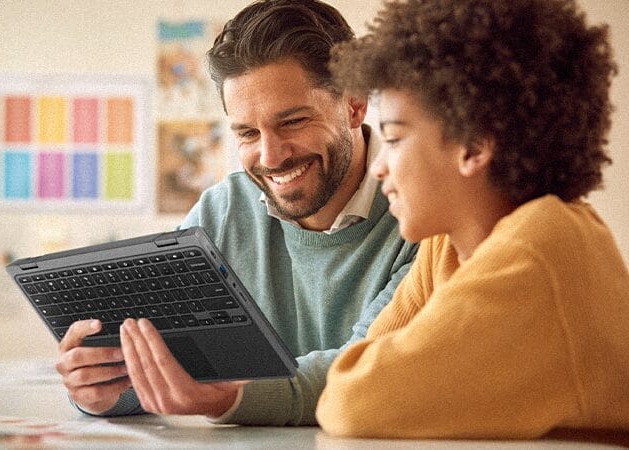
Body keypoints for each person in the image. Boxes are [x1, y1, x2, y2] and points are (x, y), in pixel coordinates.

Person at [55, 0, 418, 426]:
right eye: (247, 132)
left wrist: (231, 397)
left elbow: (370, 369)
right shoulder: (222, 211)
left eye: (293, 122)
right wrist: (103, 388)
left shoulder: (422, 212)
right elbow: (164, 361)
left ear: (354, 104)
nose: (270, 156)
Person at [317, 0, 629, 439]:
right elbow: (354, 374)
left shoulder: (543, 244)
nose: (377, 166)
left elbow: (352, 402)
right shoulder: (448, 245)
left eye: (393, 137)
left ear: (474, 147)